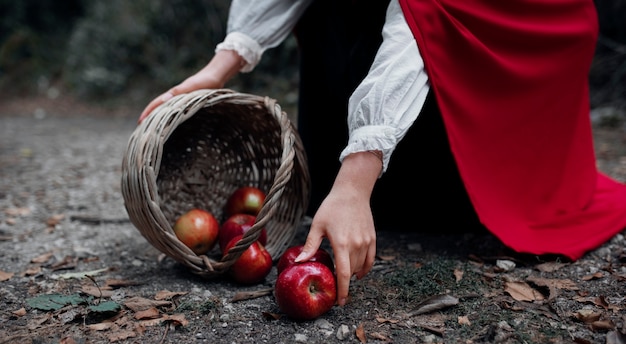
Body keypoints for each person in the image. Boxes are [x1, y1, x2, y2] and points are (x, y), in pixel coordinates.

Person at [139, 0, 626, 308]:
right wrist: (221, 66)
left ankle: (396, 194)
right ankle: (369, 200)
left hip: (508, 32)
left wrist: (356, 178)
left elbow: (424, 16)